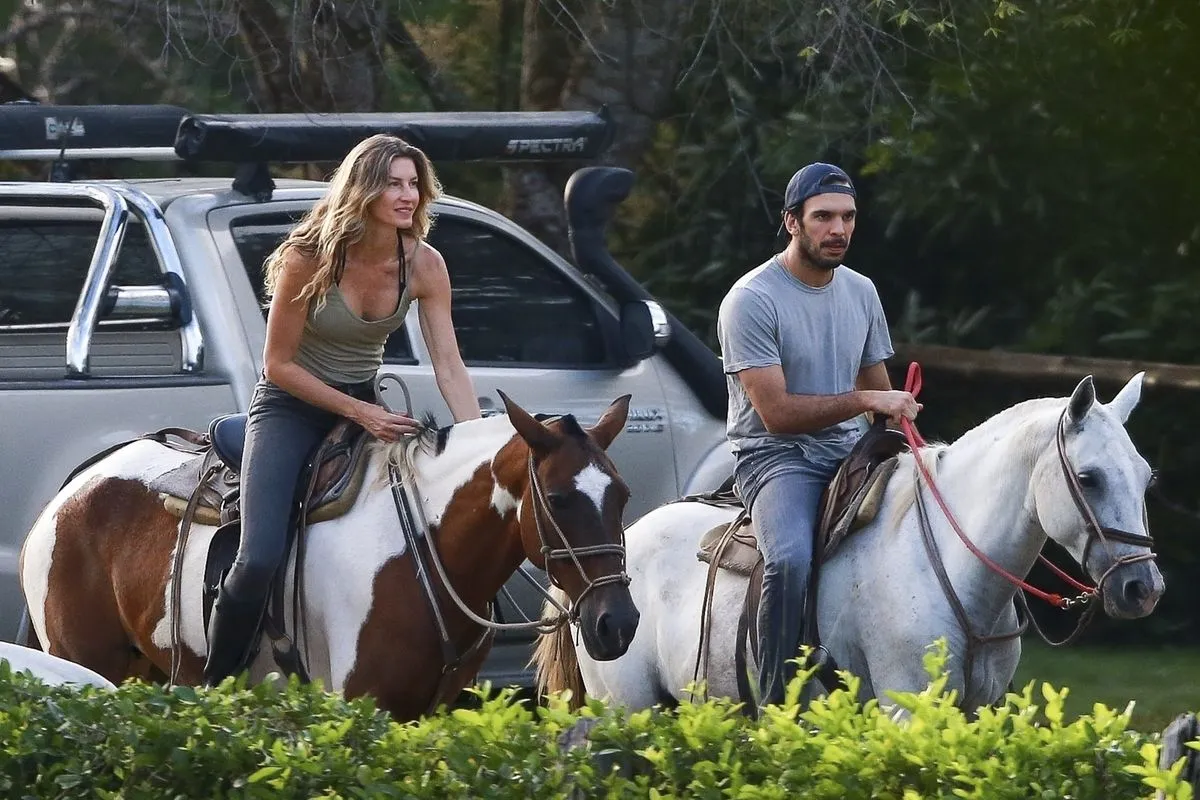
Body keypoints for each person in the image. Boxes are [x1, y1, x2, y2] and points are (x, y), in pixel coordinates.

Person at [204, 134, 482, 685]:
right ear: (362, 190)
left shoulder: (425, 264)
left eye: (414, 184)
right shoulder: (306, 258)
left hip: (365, 401)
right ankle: (214, 684)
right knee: (258, 557)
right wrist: (360, 415)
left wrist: (478, 443)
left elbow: (448, 363)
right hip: (290, 406)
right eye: (393, 184)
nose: (408, 196)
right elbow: (277, 365)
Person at [716, 162, 921, 707]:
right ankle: (774, 704)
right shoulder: (751, 299)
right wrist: (864, 401)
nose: (838, 230)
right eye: (823, 217)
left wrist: (900, 433)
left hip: (849, 452)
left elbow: (879, 395)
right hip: (776, 458)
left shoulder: (861, 291)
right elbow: (778, 415)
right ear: (792, 222)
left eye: (848, 217)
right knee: (789, 559)